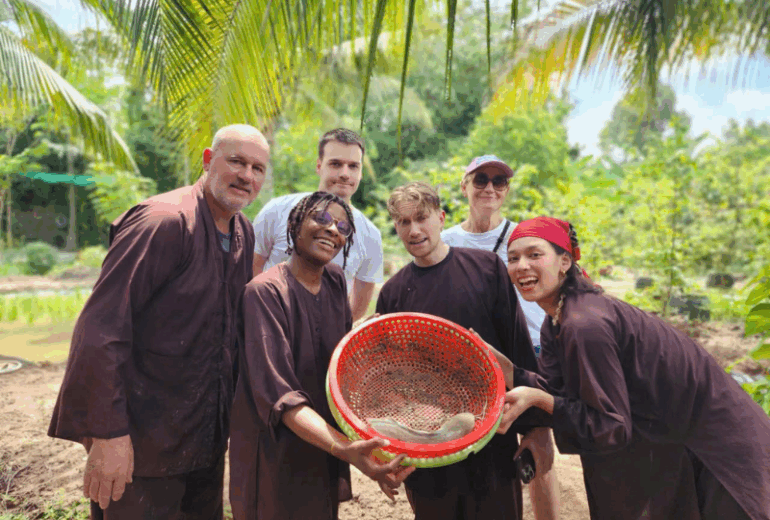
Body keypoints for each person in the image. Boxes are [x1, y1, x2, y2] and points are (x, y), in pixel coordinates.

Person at [47, 124, 268, 518]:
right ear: (207, 160)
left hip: (203, 442)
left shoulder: (242, 234)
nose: (246, 176)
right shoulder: (163, 222)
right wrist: (108, 434)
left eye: (257, 168)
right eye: (236, 161)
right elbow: (101, 329)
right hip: (141, 447)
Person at [499, 216, 770, 520]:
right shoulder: (557, 319)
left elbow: (610, 425)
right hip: (674, 439)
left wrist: (538, 400)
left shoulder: (585, 324)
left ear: (564, 262)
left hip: (718, 452)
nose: (522, 265)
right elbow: (556, 390)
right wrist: (502, 367)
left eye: (534, 255)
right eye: (513, 258)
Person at [229, 191, 414, 520]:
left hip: (323, 442)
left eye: (342, 226)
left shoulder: (333, 281)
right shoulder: (264, 293)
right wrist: (344, 448)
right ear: (295, 223)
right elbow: (279, 396)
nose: (333, 230)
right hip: (274, 448)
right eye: (321, 218)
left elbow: (342, 369)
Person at [375, 181, 549, 520]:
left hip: (491, 435)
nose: (414, 230)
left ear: (441, 218)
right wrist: (390, 453)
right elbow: (390, 381)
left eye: (421, 218)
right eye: (403, 222)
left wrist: (536, 428)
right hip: (425, 440)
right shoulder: (393, 295)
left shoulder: (486, 269)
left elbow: (516, 346)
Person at [441, 155, 559, 520]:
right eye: (480, 180)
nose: (490, 187)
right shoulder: (446, 240)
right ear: (464, 186)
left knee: (537, 441)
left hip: (531, 348)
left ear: (507, 189)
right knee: (479, 439)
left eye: (499, 181)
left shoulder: (522, 235)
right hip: (475, 354)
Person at [251, 128, 383, 322]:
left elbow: (358, 305)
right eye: (336, 164)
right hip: (269, 324)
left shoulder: (370, 235)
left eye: (353, 166)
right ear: (319, 166)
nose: (345, 174)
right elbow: (251, 271)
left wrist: (333, 331)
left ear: (361, 172)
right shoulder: (277, 210)